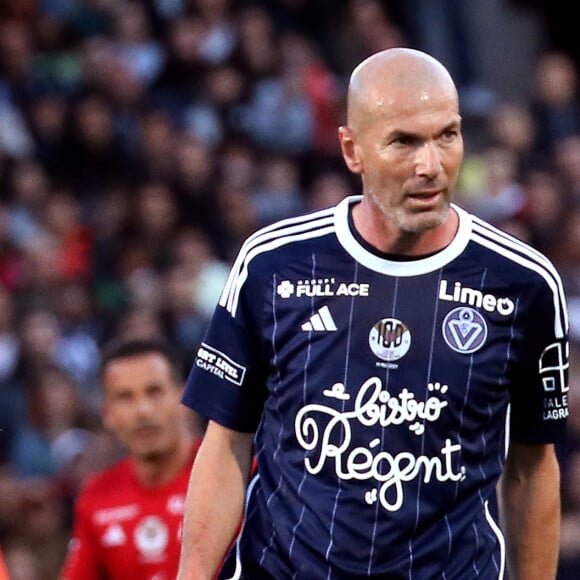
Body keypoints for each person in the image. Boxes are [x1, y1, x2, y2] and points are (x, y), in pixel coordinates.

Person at [177, 47, 570, 579]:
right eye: (404, 141)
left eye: (446, 136)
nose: (429, 165)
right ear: (352, 149)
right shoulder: (272, 265)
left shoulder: (524, 283)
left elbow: (532, 468)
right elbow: (225, 446)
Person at [60, 337, 204, 580]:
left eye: (154, 392)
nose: (143, 410)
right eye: (126, 397)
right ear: (107, 413)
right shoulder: (95, 497)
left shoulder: (236, 475)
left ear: (183, 398)